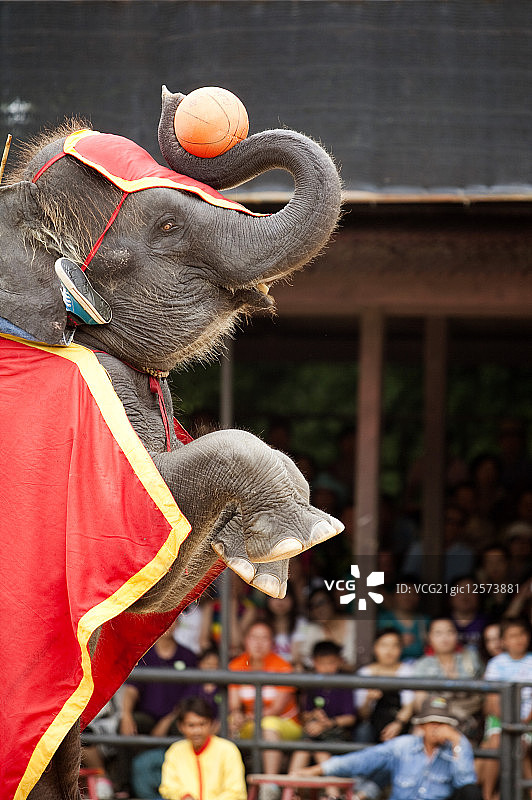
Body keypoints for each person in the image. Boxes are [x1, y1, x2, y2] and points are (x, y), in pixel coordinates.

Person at [295, 695, 482, 800]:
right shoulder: (404, 746)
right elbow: (363, 760)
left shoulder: (455, 749)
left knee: (471, 792)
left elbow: (466, 782)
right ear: (422, 725)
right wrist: (319, 769)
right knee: (378, 768)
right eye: (432, 722)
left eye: (442, 724)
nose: (436, 728)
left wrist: (458, 741)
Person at [116, 622, 197, 796]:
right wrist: (126, 715)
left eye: (173, 619)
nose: (169, 624)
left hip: (176, 718)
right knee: (125, 726)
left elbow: (189, 698)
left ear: (178, 623)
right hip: (148, 716)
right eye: (165, 618)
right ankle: (123, 787)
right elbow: (131, 690)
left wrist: (167, 720)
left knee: (184, 726)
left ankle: (186, 785)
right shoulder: (144, 654)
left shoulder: (188, 655)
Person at [228, 621, 302, 800]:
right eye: (254, 637)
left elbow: (275, 709)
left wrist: (246, 718)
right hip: (250, 722)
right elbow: (234, 705)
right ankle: (230, 787)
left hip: (285, 724)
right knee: (227, 724)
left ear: (272, 642)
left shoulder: (283, 667)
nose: (258, 643)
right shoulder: (236, 666)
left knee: (268, 724)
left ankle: (269, 787)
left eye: (264, 638)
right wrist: (237, 716)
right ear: (246, 640)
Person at [477, 617, 532, 800]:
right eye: (512, 636)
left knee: (520, 746)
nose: (518, 639)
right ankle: (488, 795)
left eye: (522, 634)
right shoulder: (496, 663)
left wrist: (523, 722)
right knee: (496, 743)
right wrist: (510, 721)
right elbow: (492, 701)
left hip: (528, 720)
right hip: (500, 718)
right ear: (504, 641)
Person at [289, 640, 356, 784]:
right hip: (312, 734)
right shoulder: (312, 684)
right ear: (314, 662)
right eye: (322, 663)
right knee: (305, 744)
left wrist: (328, 723)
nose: (326, 668)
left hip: (337, 735)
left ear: (339, 662)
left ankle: (333, 794)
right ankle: (291, 787)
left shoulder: (345, 684)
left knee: (318, 747)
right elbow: (305, 716)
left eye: (331, 663)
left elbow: (350, 718)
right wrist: (314, 715)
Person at [159, 696, 247, 800]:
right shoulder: (175, 750)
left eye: (202, 724)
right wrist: (184, 796)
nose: (197, 731)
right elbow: (168, 787)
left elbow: (236, 792)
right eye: (191, 725)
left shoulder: (228, 750)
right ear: (180, 726)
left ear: (211, 723)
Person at [412, 618, 483, 744]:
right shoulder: (423, 664)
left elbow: (483, 694)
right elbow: (420, 703)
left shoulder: (471, 658)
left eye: (450, 632)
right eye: (438, 633)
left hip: (468, 718)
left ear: (456, 635)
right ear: (429, 637)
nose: (445, 638)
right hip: (435, 717)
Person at [354, 629, 414, 744]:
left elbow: (408, 707)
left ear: (401, 649)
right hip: (373, 723)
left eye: (394, 645)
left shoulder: (407, 671)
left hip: (399, 722)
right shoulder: (365, 673)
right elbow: (362, 715)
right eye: (384, 645)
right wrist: (368, 699)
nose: (389, 650)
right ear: (375, 647)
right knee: (363, 731)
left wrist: (398, 724)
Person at [292, 587, 357, 669]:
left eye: (322, 603)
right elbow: (303, 660)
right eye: (312, 607)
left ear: (333, 602)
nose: (318, 610)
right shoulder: (312, 630)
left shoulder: (354, 625)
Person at [377, 577, 430, 661]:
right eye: (403, 592)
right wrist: (398, 642)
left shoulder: (425, 621)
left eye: (413, 593)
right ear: (394, 595)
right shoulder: (381, 620)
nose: (408, 597)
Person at [448, 577, 488, 653]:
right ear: (451, 596)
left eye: (471, 591)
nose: (465, 596)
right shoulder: (442, 622)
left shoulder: (486, 622)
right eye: (461, 591)